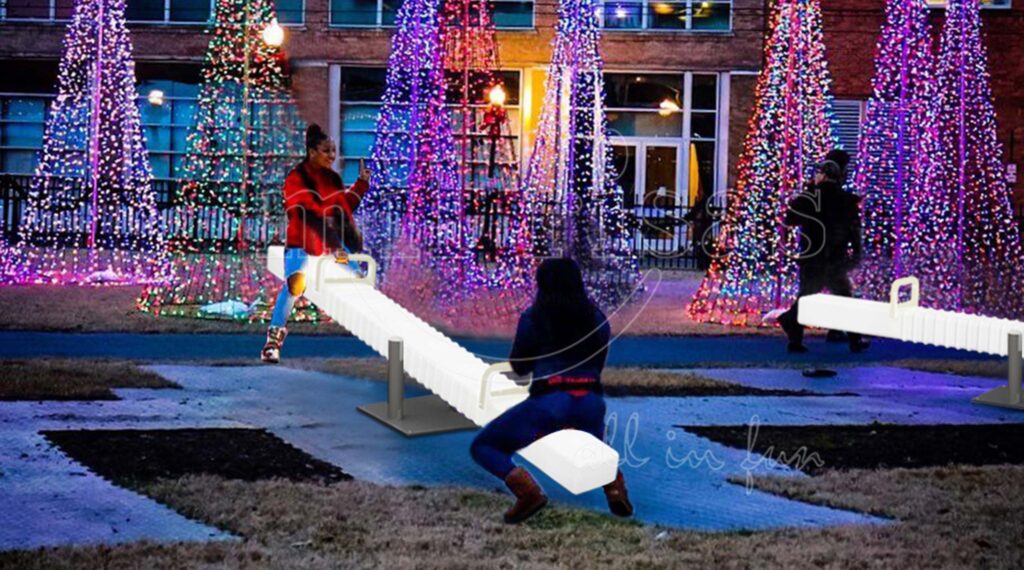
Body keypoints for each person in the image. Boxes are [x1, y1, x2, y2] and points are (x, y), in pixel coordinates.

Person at [469, 258, 633, 524]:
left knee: (485, 445)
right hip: (590, 401)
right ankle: (613, 484)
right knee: (591, 446)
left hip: (549, 402)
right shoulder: (598, 318)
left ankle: (528, 493)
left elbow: (519, 366)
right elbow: (597, 365)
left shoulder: (534, 318)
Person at [261, 124, 371, 364]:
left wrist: (360, 186)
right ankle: (273, 341)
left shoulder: (333, 179)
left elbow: (342, 210)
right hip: (302, 241)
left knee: (359, 280)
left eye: (333, 151)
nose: (332, 156)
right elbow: (309, 215)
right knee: (295, 283)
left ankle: (376, 329)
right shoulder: (296, 178)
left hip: (330, 242)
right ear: (311, 152)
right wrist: (333, 247)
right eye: (326, 150)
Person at [777, 159, 869, 354]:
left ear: (823, 176)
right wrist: (856, 252)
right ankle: (855, 339)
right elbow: (853, 229)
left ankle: (794, 332)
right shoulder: (846, 199)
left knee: (807, 295)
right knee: (844, 297)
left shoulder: (810, 197)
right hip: (835, 256)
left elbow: (790, 219)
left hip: (813, 255)